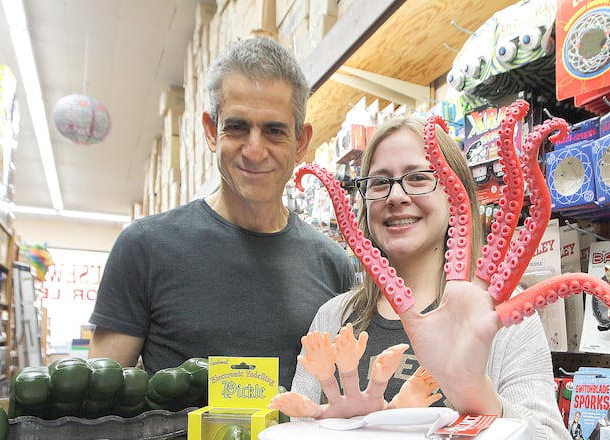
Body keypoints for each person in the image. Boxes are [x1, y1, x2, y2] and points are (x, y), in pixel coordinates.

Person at [87, 36, 356, 390]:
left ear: (301, 142)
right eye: (238, 127)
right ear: (212, 132)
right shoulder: (144, 248)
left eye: (274, 131)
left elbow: (344, 394)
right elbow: (96, 400)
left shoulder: (333, 265)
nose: (255, 150)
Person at [288, 115, 570, 438]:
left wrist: (479, 395)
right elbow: (298, 427)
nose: (396, 197)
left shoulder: (504, 319)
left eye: (419, 178)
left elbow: (549, 435)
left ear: (455, 193)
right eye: (380, 183)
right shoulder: (332, 318)